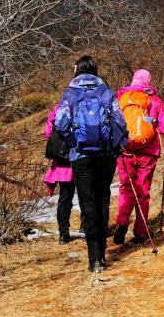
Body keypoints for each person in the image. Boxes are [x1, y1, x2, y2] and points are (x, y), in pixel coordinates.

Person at [55, 55, 127, 273]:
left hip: (80, 156)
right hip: (106, 156)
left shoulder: (70, 93)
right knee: (103, 199)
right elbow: (120, 121)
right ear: (95, 70)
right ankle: (103, 255)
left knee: (87, 202)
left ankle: (93, 259)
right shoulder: (105, 91)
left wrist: (71, 142)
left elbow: (60, 123)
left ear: (77, 71)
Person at [113, 68, 164, 245]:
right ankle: (141, 231)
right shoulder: (154, 100)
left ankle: (122, 221)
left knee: (126, 188)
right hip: (148, 153)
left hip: (125, 152)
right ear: (148, 81)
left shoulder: (120, 99)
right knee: (143, 192)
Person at [43, 102, 77, 243]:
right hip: (83, 157)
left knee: (65, 197)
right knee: (87, 195)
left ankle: (63, 233)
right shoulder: (88, 103)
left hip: (63, 160)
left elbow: (47, 134)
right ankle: (87, 227)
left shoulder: (60, 106)